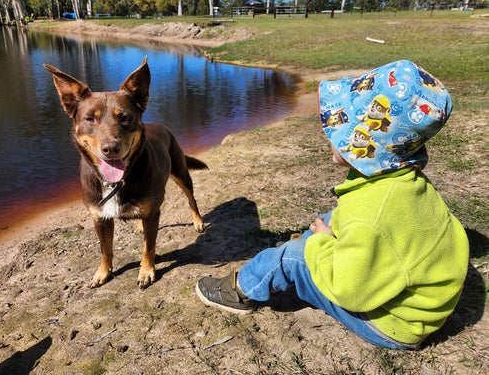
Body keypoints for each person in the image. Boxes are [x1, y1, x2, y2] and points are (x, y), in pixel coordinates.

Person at [195, 60, 469, 350]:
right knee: (333, 218)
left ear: (363, 141)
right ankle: (317, 247)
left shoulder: (372, 214)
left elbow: (348, 290)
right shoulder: (402, 182)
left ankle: (239, 290)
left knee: (292, 256)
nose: (329, 129)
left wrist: (321, 244)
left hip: (395, 323)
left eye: (344, 125)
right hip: (416, 299)